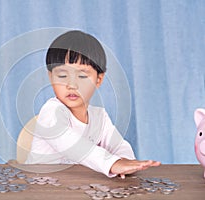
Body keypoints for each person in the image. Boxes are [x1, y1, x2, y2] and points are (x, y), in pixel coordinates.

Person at [25, 30, 160, 178]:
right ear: (51, 77)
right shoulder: (51, 112)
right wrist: (112, 163)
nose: (72, 85)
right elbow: (72, 145)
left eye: (82, 76)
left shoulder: (99, 117)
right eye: (62, 75)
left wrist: (124, 161)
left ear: (98, 80)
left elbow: (119, 145)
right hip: (40, 190)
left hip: (76, 189)